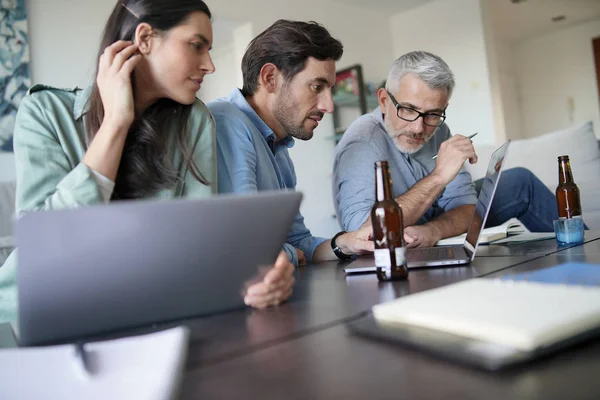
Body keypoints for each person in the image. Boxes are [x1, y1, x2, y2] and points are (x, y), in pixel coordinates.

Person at [0, 0, 294, 323]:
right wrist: (115, 122)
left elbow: (195, 251)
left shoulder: (194, 122)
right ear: (145, 39)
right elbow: (44, 251)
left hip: (152, 321)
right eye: (197, 46)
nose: (209, 65)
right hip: (42, 318)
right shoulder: (44, 113)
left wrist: (254, 282)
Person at [333, 51, 559, 248]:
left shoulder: (440, 129)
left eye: (433, 113)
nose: (418, 127)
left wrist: (433, 231)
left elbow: (466, 206)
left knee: (520, 181)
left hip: (430, 228)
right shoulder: (362, 142)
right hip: (396, 247)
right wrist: (439, 176)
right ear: (383, 100)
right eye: (408, 110)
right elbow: (364, 236)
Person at [208, 20, 374, 266]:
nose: (328, 106)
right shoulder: (225, 120)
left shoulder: (279, 147)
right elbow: (244, 245)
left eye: (329, 90)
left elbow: (299, 241)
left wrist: (347, 242)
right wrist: (289, 254)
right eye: (317, 87)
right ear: (270, 78)